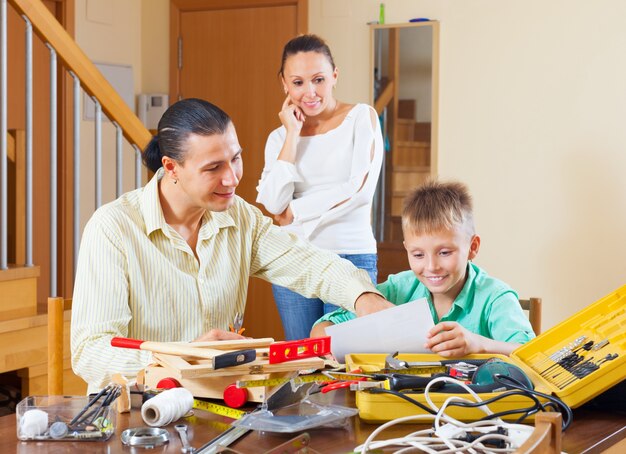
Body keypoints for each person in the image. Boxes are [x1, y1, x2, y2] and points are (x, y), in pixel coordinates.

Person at [71, 98, 394, 393]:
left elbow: (309, 263)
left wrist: (363, 297)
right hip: (137, 416)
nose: (232, 178)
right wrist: (184, 356)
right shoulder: (113, 229)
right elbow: (91, 351)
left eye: (235, 159)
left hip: (217, 407)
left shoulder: (239, 217)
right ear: (171, 168)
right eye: (213, 168)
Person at [311, 180, 535, 357]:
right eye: (418, 255)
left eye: (445, 253)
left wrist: (479, 344)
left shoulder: (495, 297)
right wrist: (329, 348)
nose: (431, 267)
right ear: (407, 250)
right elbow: (322, 329)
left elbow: (532, 356)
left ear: (472, 247)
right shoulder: (397, 290)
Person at [256, 34, 384, 340]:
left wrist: (295, 212)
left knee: (344, 358)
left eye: (319, 80)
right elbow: (273, 203)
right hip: (293, 259)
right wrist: (292, 134)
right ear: (284, 84)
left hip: (350, 254)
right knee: (301, 359)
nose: (310, 92)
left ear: (335, 76)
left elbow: (360, 189)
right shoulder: (279, 137)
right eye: (298, 82)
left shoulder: (360, 118)